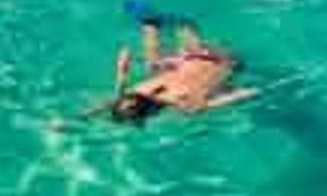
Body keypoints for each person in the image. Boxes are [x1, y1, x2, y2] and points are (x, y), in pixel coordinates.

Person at [107, 13, 257, 123]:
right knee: (158, 57)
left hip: (207, 61)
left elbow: (243, 94)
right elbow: (242, 94)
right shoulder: (186, 105)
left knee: (154, 64)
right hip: (218, 60)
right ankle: (151, 24)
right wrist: (122, 71)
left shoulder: (183, 105)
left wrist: (121, 71)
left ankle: (152, 24)